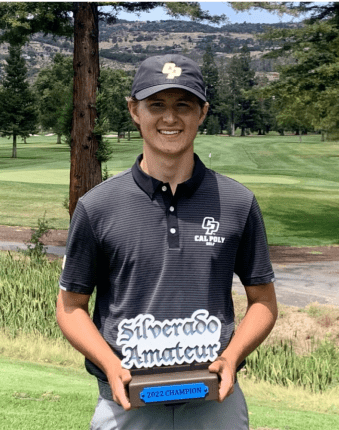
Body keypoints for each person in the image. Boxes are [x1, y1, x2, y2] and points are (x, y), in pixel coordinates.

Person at [56, 54, 277, 430]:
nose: (170, 118)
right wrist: (111, 365)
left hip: (215, 403)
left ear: (203, 112)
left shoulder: (238, 202)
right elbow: (70, 307)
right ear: (133, 110)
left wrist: (232, 355)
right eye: (156, 104)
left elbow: (264, 302)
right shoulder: (97, 207)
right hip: (126, 403)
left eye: (183, 105)